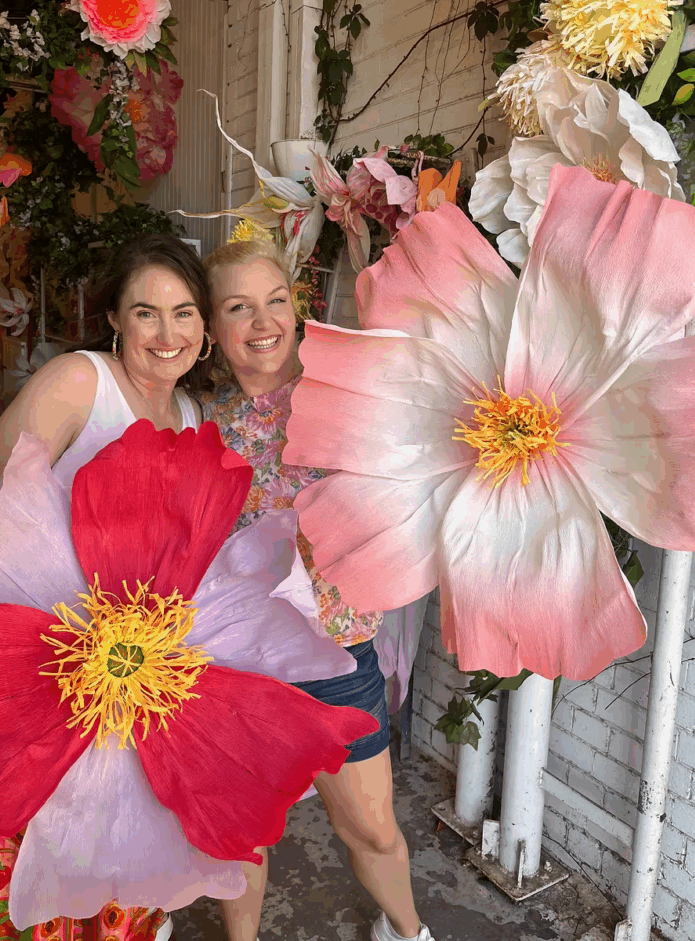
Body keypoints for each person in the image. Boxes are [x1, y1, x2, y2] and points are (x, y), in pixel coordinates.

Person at [0, 234, 212, 941]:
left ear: (204, 325)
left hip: (124, 683)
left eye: (184, 312)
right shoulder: (80, 383)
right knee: (22, 856)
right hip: (39, 666)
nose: (167, 333)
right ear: (115, 319)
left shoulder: (194, 416)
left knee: (110, 853)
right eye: (146, 312)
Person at [200, 238, 435, 941]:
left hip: (336, 653)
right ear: (210, 325)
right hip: (234, 664)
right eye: (238, 307)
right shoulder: (193, 418)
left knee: (371, 827)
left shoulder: (345, 393)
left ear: (297, 307)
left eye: (276, 300)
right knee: (242, 832)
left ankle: (406, 931)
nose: (262, 321)